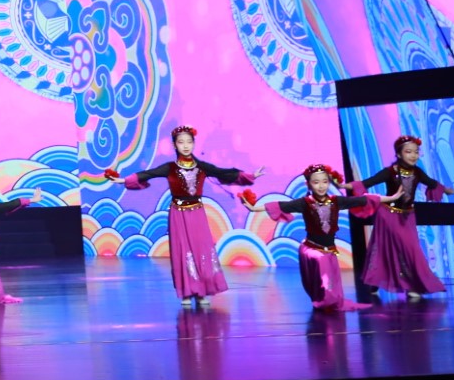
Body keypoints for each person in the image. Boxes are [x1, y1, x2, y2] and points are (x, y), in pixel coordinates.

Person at [106, 125, 260, 305]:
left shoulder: (202, 167)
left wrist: (250, 176)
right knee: (182, 251)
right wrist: (123, 180)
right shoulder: (170, 168)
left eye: (189, 142)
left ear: (193, 144)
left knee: (202, 250)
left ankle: (202, 291)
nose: (185, 146)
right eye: (181, 142)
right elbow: (148, 174)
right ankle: (186, 292)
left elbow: (223, 172)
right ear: (175, 145)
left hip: (197, 213)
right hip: (178, 214)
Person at [243, 163, 399, 312]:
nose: (321, 186)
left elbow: (363, 199)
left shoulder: (336, 201)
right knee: (323, 278)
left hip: (330, 250)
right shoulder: (305, 203)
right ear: (309, 185)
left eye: (325, 181)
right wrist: (254, 208)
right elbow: (281, 205)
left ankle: (326, 302)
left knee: (330, 284)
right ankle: (324, 301)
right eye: (316, 182)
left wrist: (392, 198)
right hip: (312, 250)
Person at [349, 135, 454, 300]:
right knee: (392, 248)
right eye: (408, 152)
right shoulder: (390, 172)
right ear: (399, 154)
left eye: (416, 152)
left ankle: (402, 283)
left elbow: (431, 183)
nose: (413, 155)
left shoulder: (417, 172)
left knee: (410, 249)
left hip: (408, 216)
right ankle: (398, 284)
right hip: (388, 215)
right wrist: (343, 185)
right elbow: (367, 183)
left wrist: (446, 190)